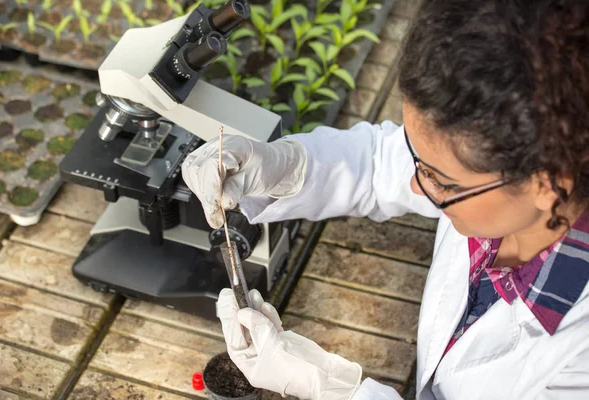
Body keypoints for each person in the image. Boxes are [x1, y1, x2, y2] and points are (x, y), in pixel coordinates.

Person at [182, 0, 589, 398]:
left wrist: (335, 389)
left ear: (548, 185)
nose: (414, 185)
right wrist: (284, 167)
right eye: (417, 155)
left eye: (440, 181)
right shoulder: (501, 166)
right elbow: (381, 163)